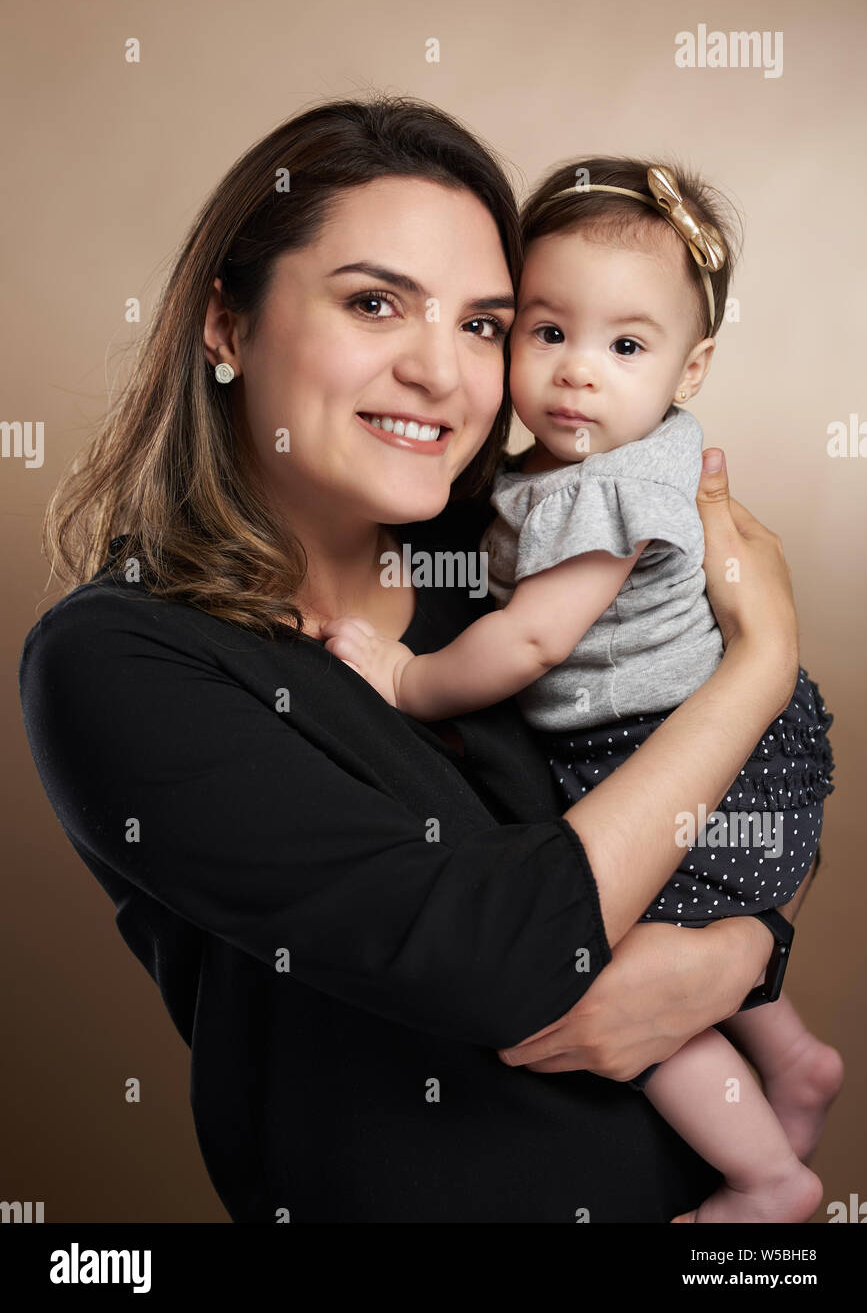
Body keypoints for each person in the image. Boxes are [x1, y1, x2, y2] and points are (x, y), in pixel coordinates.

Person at [17, 96, 840, 1224]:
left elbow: (748, 788)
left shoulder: (508, 549)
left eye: (484, 325)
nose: (443, 375)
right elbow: (500, 956)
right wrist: (763, 661)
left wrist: (745, 946)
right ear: (225, 322)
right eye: (374, 304)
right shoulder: (122, 657)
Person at [321, 156, 841, 1222]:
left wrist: (409, 679)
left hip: (684, 752)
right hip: (739, 743)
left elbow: (528, 643)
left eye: (625, 346)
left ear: (690, 370)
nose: (577, 374)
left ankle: (767, 1177)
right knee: (693, 951)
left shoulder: (612, 492)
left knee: (613, 973)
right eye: (546, 333)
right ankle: (792, 1056)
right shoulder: (574, 465)